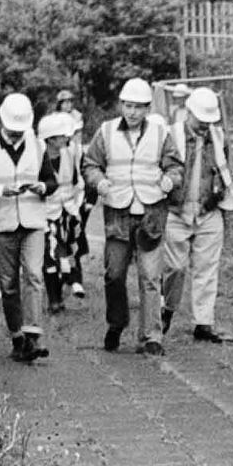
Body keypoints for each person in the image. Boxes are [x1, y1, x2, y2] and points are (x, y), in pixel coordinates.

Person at [83, 76, 183, 355]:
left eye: (138, 107)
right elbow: (90, 164)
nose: (132, 112)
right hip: (118, 213)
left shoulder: (161, 134)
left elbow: (176, 167)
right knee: (114, 274)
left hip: (151, 212)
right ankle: (116, 323)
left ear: (147, 108)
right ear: (120, 106)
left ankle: (151, 336)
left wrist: (170, 180)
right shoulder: (105, 132)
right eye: (128, 106)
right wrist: (98, 180)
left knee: (151, 276)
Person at [0, 92, 52, 363]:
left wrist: (42, 186)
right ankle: (17, 336)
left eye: (21, 131)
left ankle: (33, 335)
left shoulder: (39, 146)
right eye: (12, 131)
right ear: (1, 122)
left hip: (33, 220)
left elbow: (51, 181)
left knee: (34, 275)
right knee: (8, 283)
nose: (17, 136)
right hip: (2, 222)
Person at [166, 87, 233, 343]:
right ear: (188, 113)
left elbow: (224, 169)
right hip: (175, 210)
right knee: (174, 267)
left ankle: (203, 322)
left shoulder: (219, 137)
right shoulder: (170, 135)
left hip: (208, 210)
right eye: (201, 121)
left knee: (207, 269)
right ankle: (166, 309)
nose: (205, 126)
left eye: (209, 121)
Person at [39, 106, 89, 313]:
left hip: (68, 211)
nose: (67, 139)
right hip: (46, 214)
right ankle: (54, 300)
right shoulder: (37, 157)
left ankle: (70, 284)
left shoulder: (70, 153)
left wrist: (79, 206)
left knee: (69, 254)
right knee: (50, 257)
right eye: (62, 136)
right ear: (50, 139)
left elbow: (78, 181)